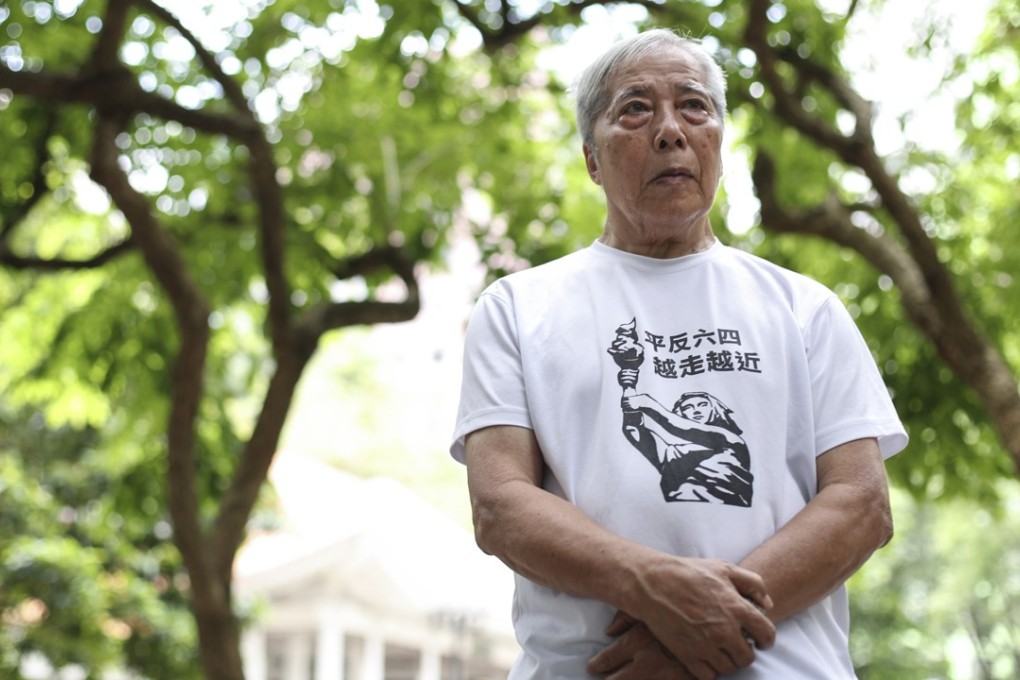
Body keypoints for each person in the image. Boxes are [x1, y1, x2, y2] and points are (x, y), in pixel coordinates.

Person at [451, 27, 907, 680]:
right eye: (635, 109)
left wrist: (707, 627)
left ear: (718, 140)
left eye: (694, 106)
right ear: (591, 157)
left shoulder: (805, 308)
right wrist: (652, 586)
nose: (670, 130)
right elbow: (500, 506)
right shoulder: (518, 309)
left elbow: (862, 505)